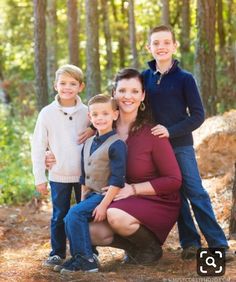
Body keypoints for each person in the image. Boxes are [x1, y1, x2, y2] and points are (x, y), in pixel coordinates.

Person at [45, 68, 182, 269]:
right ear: (114, 95)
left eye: (135, 91)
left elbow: (174, 180)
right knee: (85, 229)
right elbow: (70, 141)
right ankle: (132, 248)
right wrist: (50, 154)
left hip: (151, 199)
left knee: (116, 216)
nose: (128, 96)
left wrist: (132, 189)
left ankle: (150, 247)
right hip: (114, 198)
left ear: (143, 95)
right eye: (123, 91)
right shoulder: (102, 128)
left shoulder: (152, 133)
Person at [142, 25, 234, 260]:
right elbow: (126, 102)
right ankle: (190, 243)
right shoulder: (144, 78)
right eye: (156, 43)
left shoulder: (185, 79)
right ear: (148, 47)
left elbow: (197, 115)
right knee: (175, 195)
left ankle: (218, 244)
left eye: (166, 42)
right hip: (156, 150)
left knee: (195, 191)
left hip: (180, 145)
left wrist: (170, 131)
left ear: (174, 46)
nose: (161, 47)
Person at [56, 94, 127, 273]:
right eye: (95, 114)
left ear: (115, 115)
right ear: (90, 117)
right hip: (91, 195)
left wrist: (103, 205)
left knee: (73, 215)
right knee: (71, 216)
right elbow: (84, 178)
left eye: (104, 113)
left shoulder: (117, 144)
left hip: (107, 195)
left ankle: (87, 261)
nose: (100, 118)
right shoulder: (88, 143)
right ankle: (82, 256)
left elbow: (118, 180)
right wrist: (81, 203)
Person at [31, 64, 90, 268]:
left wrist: (92, 129)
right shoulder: (47, 113)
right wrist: (40, 177)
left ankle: (87, 252)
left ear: (80, 87)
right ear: (56, 85)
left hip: (85, 176)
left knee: (84, 215)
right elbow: (38, 145)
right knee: (59, 215)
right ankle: (57, 252)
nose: (67, 87)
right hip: (59, 174)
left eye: (73, 83)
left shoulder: (88, 112)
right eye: (63, 83)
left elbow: (101, 133)